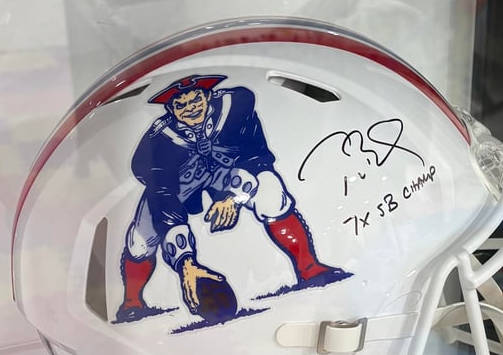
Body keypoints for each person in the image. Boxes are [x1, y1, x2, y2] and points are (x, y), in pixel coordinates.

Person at [115, 74, 343, 324]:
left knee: (270, 190)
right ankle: (132, 302)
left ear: (209, 96)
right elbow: (163, 196)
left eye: (195, 100)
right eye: (181, 105)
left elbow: (256, 158)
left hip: (227, 171)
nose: (190, 108)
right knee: (141, 239)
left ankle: (309, 267)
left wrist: (233, 197)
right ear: (170, 110)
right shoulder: (160, 140)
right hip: (181, 181)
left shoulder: (235, 108)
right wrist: (185, 263)